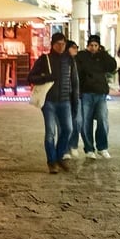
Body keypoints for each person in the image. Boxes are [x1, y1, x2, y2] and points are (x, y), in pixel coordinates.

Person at [28, 32, 80, 173]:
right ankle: (52, 161)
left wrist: (75, 100)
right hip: (49, 101)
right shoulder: (45, 59)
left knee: (68, 129)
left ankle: (59, 156)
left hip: (65, 100)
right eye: (58, 44)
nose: (61, 46)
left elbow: (74, 81)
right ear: (53, 44)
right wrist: (47, 77)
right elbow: (31, 77)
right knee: (51, 131)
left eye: (63, 44)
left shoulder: (69, 60)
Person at [76, 34, 117, 159]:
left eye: (95, 45)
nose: (93, 48)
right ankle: (89, 149)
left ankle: (102, 147)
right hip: (86, 93)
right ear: (88, 45)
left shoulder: (102, 57)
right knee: (86, 122)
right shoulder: (82, 56)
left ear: (99, 46)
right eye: (91, 45)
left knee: (102, 120)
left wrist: (103, 53)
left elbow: (112, 66)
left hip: (100, 93)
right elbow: (77, 71)